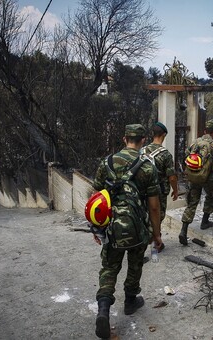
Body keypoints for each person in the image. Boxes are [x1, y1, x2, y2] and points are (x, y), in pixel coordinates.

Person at [91, 124, 163, 339]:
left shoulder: (107, 162)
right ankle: (130, 301)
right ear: (142, 140)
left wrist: (96, 226)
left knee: (109, 267)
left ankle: (103, 309)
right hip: (137, 227)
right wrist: (156, 234)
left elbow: (96, 197)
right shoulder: (148, 167)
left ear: (124, 139)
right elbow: (154, 206)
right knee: (135, 264)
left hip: (112, 226)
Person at [179, 119, 213, 245]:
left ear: (204, 131)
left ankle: (183, 230)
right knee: (211, 196)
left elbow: (186, 155)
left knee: (192, 202)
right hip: (208, 178)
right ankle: (205, 221)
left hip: (194, 176)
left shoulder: (195, 142)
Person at [143, 122, 179, 235]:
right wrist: (175, 190)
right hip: (159, 191)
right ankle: (154, 239)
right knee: (158, 215)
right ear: (164, 135)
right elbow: (172, 177)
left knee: (145, 213)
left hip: (143, 189)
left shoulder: (142, 151)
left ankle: (151, 236)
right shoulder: (166, 155)